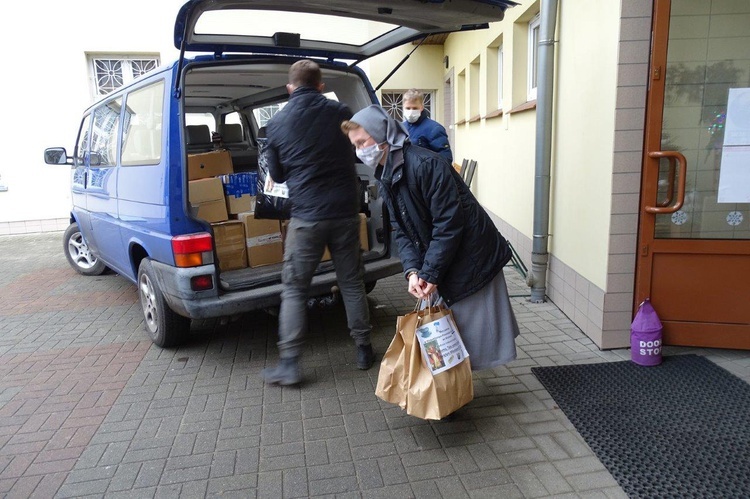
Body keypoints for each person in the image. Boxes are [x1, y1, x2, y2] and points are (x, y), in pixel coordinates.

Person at [342, 105, 519, 371]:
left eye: (362, 142)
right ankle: (452, 388)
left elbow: (448, 225)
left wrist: (431, 273)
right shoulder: (386, 173)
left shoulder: (427, 164)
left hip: (471, 256)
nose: (359, 151)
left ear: (381, 136)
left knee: (471, 333)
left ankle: (453, 389)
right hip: (446, 255)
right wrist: (413, 272)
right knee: (449, 331)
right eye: (354, 145)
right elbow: (402, 230)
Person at [261, 60, 375, 386]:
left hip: (307, 218)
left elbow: (278, 174)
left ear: (290, 88)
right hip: (344, 213)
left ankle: (290, 364)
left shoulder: (277, 123)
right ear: (321, 85)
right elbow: (356, 153)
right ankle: (364, 349)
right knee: (351, 281)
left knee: (295, 289)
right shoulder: (342, 112)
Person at [401, 88, 453, 164]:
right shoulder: (400, 128)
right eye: (408, 108)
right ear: (403, 107)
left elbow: (445, 160)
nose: (411, 111)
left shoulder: (434, 129)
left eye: (415, 108)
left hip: (425, 174)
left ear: (422, 107)